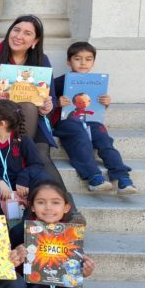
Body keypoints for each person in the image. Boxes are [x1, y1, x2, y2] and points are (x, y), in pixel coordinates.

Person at [0, 15, 66, 193]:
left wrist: (47, 107)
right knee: (32, 154)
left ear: (35, 41)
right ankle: (20, 155)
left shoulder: (42, 61)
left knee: (41, 153)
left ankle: (63, 206)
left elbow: (52, 98)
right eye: (16, 30)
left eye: (27, 33)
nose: (19, 36)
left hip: (30, 121)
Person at [53, 42, 137, 194]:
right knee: (80, 137)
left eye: (88, 59)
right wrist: (57, 103)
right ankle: (94, 177)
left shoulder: (97, 82)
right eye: (77, 59)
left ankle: (122, 177)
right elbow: (47, 105)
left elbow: (96, 108)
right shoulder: (58, 82)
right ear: (69, 61)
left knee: (104, 140)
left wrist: (105, 103)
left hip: (91, 121)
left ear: (93, 61)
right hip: (67, 122)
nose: (83, 63)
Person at [0, 99, 51, 214]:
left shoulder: (23, 140)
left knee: (42, 177)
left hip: (21, 187)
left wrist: (23, 178)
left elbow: (37, 164)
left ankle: (31, 216)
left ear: (2, 124)